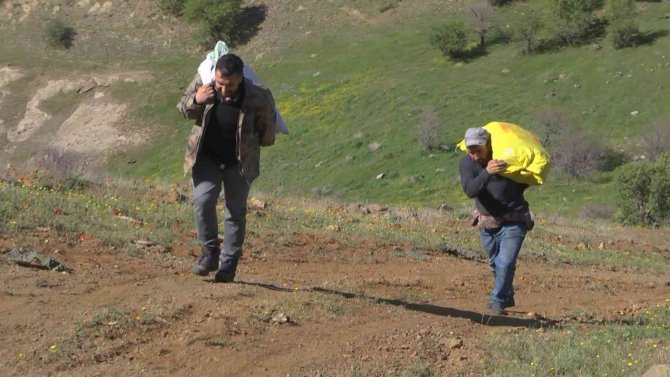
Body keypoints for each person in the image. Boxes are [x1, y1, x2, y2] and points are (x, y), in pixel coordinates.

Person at [177, 53, 277, 282]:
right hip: (206, 158)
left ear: (241, 78)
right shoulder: (204, 83)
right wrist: (197, 100)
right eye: (220, 83)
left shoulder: (257, 96)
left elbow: (268, 128)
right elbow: (182, 108)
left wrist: (252, 145)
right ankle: (210, 253)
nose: (223, 89)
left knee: (235, 210)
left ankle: (229, 264)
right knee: (203, 200)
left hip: (239, 162)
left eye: (229, 85)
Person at [458, 127, 533, 315]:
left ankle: (497, 302)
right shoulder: (467, 163)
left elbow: (527, 181)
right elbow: (470, 190)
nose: (474, 156)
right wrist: (488, 172)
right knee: (495, 263)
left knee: (504, 263)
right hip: (487, 221)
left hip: (515, 219)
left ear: (489, 145)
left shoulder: (508, 160)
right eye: (471, 151)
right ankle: (506, 295)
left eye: (479, 151)